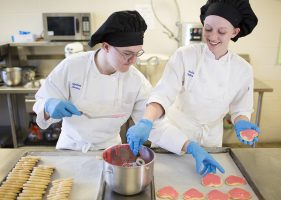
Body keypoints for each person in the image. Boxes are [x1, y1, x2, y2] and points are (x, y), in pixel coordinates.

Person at [126, 0, 260, 176]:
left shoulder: (243, 69)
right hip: (176, 134)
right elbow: (163, 95)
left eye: (222, 31)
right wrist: (146, 121)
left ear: (235, 32)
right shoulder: (185, 56)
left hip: (211, 138)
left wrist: (241, 121)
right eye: (208, 29)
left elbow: (240, 108)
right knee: (169, 179)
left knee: (207, 185)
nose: (212, 37)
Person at [33, 10, 152, 152]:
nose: (133, 60)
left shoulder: (136, 81)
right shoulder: (72, 66)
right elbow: (41, 104)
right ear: (106, 46)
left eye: (137, 53)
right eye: (127, 53)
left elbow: (152, 120)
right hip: (71, 149)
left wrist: (149, 125)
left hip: (110, 152)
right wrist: (48, 106)